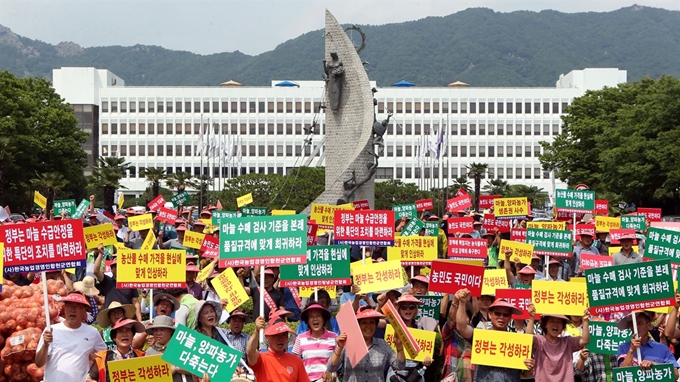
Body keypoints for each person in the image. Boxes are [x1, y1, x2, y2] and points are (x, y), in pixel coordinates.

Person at [455, 289, 534, 381]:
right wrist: (462, 303)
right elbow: (461, 328)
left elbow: (525, 373)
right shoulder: (482, 336)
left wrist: (529, 368)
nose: (501, 317)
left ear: (510, 318)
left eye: (505, 314)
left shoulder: (516, 341)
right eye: (497, 313)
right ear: (490, 314)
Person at [35, 293, 107, 382]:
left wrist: (93, 374)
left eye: (77, 307)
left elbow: (105, 356)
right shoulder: (51, 330)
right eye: (69, 306)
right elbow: (39, 363)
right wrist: (45, 345)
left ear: (84, 311)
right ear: (65, 309)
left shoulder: (92, 332)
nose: (72, 310)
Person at [328, 306, 405, 381]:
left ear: (376, 325)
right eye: (364, 322)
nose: (368, 326)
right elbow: (331, 368)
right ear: (358, 325)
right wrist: (340, 347)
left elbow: (399, 366)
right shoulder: (347, 343)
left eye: (372, 322)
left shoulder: (383, 344)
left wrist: (399, 348)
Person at [526, 305, 590, 382]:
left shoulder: (567, 342)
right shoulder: (539, 341)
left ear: (563, 326)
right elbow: (528, 339)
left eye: (559, 322)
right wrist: (531, 317)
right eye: (551, 321)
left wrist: (585, 320)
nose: (555, 324)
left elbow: (585, 340)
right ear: (545, 324)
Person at [246, 316, 311, 382]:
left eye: (284, 335)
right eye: (276, 335)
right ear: (267, 337)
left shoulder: (297, 361)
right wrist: (257, 331)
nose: (281, 339)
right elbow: (250, 351)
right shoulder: (261, 359)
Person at [617, 310, 679, 378]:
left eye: (639, 323)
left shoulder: (662, 348)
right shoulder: (623, 347)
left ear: (649, 326)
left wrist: (654, 365)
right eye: (632, 324)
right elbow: (621, 374)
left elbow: (676, 375)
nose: (636, 327)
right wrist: (631, 350)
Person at [387, 295, 435, 382]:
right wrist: (380, 304)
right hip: (395, 374)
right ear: (399, 310)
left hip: (415, 375)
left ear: (415, 310)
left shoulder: (420, 329)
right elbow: (376, 324)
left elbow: (425, 352)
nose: (408, 310)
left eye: (411, 307)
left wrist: (427, 358)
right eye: (404, 307)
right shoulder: (392, 325)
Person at [93, 247, 142, 321]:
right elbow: (96, 271)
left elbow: (136, 302)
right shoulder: (107, 281)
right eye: (116, 266)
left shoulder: (129, 283)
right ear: (111, 269)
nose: (118, 268)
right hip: (110, 319)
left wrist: (140, 320)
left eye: (121, 266)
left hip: (125, 319)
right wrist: (100, 254)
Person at [292, 303, 338, 382]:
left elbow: (339, 361)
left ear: (323, 319)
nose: (315, 319)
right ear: (307, 321)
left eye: (318, 316)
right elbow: (296, 363)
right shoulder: (300, 338)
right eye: (311, 317)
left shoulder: (334, 337)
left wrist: (331, 372)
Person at [144, 315, 194, 382]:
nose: (158, 333)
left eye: (162, 330)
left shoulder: (183, 347)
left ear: (170, 331)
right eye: (155, 330)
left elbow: (197, 370)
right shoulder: (149, 353)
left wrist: (176, 369)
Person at [225, 309, 252, 374]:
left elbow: (251, 359)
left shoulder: (248, 338)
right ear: (229, 322)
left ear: (243, 323)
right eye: (234, 321)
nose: (237, 323)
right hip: (225, 371)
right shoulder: (223, 335)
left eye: (240, 321)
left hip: (243, 373)